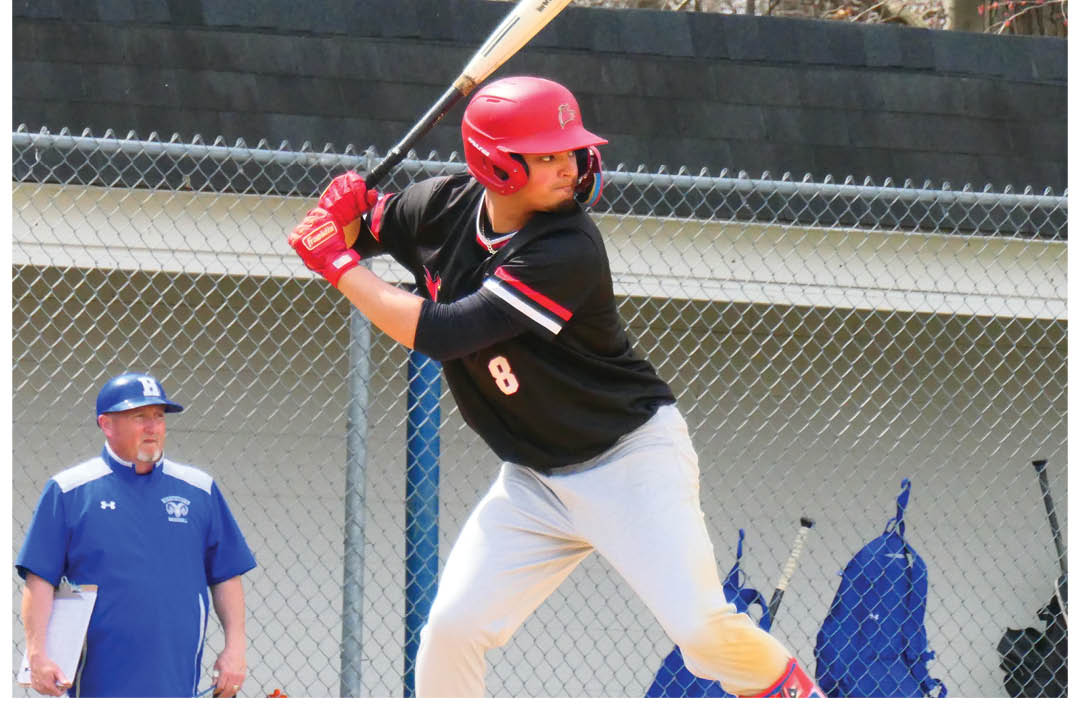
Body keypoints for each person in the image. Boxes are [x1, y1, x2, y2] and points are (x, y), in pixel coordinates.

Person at [288, 75, 822, 698]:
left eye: (571, 151)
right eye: (548, 155)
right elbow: (361, 229)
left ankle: (797, 696)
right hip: (535, 478)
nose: (569, 166)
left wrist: (338, 264)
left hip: (627, 460)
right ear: (496, 163)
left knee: (702, 630)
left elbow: (444, 333)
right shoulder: (439, 207)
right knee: (453, 630)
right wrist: (339, 216)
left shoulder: (567, 246)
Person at [16, 372, 257, 698]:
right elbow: (40, 578)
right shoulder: (70, 490)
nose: (152, 427)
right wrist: (36, 654)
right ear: (106, 424)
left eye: (158, 417)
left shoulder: (199, 489)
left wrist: (236, 649)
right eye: (139, 416)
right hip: (99, 682)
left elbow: (226, 574)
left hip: (177, 679)